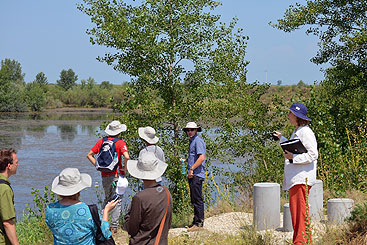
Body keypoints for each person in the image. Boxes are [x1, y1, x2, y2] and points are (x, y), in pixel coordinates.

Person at [273, 102, 318, 245]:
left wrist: (294, 158)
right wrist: (282, 139)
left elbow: (313, 154)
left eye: (290, 113)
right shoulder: (299, 131)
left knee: (300, 214)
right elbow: (294, 146)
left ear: (297, 116)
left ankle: (301, 242)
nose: (288, 116)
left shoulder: (306, 132)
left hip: (301, 179)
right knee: (297, 213)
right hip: (297, 178)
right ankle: (303, 241)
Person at [46, 168, 118, 245]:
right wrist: (106, 211)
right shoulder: (88, 211)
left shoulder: (51, 209)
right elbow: (105, 234)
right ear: (78, 190)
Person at [87, 120, 130, 233]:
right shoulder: (120, 143)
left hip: (104, 175)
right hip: (116, 175)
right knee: (117, 199)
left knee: (107, 199)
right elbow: (127, 156)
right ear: (119, 132)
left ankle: (101, 222)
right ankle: (114, 227)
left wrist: (98, 165)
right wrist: (125, 168)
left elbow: (89, 155)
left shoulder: (102, 141)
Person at [124, 152, 172, 245]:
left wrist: (127, 216)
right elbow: (168, 222)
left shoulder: (139, 198)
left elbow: (131, 229)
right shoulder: (166, 192)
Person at [183, 121, 206, 231]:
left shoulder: (198, 141)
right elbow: (195, 157)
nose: (189, 132)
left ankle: (199, 224)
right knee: (194, 199)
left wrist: (191, 168)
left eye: (192, 130)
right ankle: (195, 221)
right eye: (188, 130)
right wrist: (187, 160)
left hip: (196, 174)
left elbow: (201, 158)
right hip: (193, 174)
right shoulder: (192, 141)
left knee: (197, 199)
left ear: (196, 130)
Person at [0, 148, 19, 245]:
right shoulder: (4, 189)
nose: (18, 165)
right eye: (16, 162)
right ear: (9, 166)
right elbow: (7, 222)